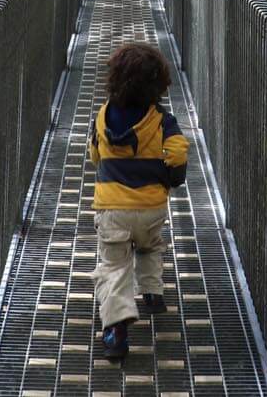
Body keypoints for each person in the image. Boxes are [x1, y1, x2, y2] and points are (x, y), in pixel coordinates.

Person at [89, 42, 187, 361]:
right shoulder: (163, 121)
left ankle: (116, 330)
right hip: (150, 208)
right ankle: (153, 292)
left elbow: (94, 153)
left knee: (114, 266)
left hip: (112, 209)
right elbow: (177, 153)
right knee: (150, 244)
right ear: (158, 84)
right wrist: (172, 176)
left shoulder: (102, 117)